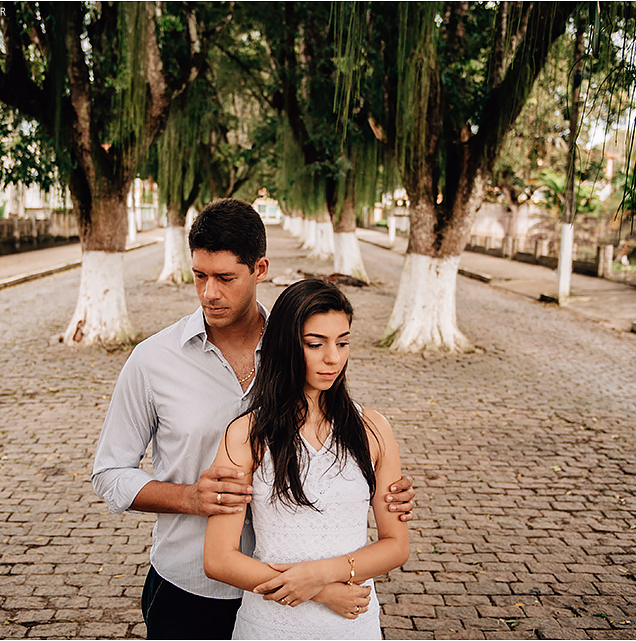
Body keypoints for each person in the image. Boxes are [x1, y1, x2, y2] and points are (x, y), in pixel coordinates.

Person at [92, 199, 415, 639]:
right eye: (199, 276)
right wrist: (190, 498)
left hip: (305, 604)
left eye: (225, 278)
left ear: (260, 268)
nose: (209, 292)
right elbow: (110, 473)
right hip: (191, 587)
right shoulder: (152, 360)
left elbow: (343, 458)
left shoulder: (298, 344)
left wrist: (372, 486)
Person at [203, 279, 408, 639]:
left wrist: (322, 572)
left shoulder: (373, 429)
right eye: (315, 344)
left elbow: (396, 544)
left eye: (342, 342)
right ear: (285, 346)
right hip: (270, 625)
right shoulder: (246, 434)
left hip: (353, 623)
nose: (333, 358)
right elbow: (219, 559)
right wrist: (322, 590)